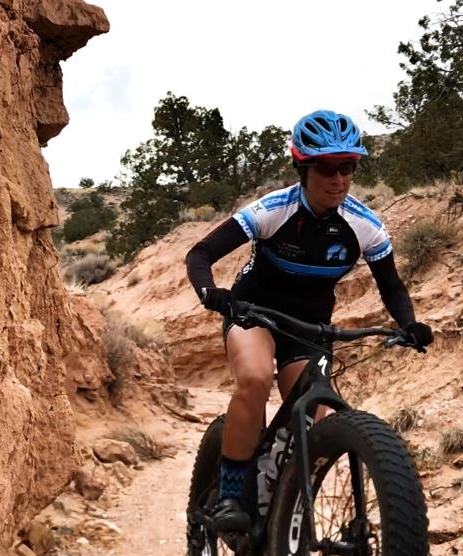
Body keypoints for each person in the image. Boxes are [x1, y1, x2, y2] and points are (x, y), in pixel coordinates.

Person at [184, 110, 433, 533]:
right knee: (257, 377)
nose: (338, 179)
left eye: (348, 168)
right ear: (304, 167)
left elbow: (391, 285)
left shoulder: (365, 225)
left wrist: (409, 323)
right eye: (327, 168)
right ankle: (228, 496)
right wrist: (211, 293)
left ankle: (284, 511)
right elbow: (200, 254)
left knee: (312, 420)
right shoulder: (273, 210)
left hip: (309, 327)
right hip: (254, 314)